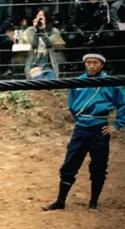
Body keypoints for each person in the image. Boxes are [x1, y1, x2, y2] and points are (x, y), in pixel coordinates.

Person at [42, 53, 125, 211]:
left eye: (95, 62)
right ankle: (60, 201)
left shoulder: (110, 82)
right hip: (81, 129)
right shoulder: (78, 81)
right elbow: (72, 105)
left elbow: (123, 103)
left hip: (100, 129)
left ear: (102, 65)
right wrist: (80, 121)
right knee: (70, 164)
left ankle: (93, 202)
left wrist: (117, 125)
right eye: (88, 62)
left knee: (99, 166)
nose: (91, 66)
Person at [23, 7, 61, 79]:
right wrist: (36, 30)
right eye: (38, 16)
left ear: (46, 18)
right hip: (34, 66)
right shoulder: (30, 30)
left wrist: (42, 30)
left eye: (42, 16)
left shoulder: (54, 31)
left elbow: (49, 44)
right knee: (40, 82)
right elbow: (34, 43)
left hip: (49, 67)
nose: (40, 18)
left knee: (52, 82)